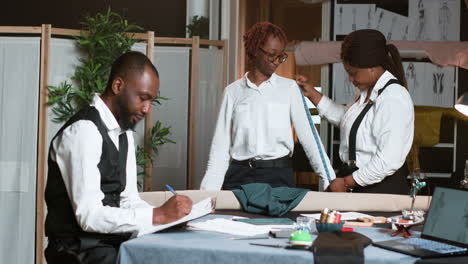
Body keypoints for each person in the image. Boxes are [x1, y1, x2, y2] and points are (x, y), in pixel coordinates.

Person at [44, 51, 193, 264]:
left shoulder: (124, 133)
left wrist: (168, 218)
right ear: (117, 86)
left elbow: (128, 200)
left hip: (108, 245)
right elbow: (90, 216)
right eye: (143, 98)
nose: (147, 109)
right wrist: (157, 215)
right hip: (76, 252)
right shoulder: (84, 131)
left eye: (151, 101)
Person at [200, 22, 335, 191]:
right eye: (272, 55)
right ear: (255, 50)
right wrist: (206, 197)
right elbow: (219, 150)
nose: (277, 61)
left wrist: (330, 181)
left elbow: (311, 140)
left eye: (281, 56)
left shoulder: (290, 88)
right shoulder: (232, 92)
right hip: (238, 177)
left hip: (277, 177)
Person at [296, 29, 414, 194]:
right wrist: (312, 94)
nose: (350, 79)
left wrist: (347, 182)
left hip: (379, 188)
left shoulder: (393, 97)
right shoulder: (365, 93)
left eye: (353, 73)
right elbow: (349, 121)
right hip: (357, 181)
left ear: (372, 67)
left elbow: (388, 160)